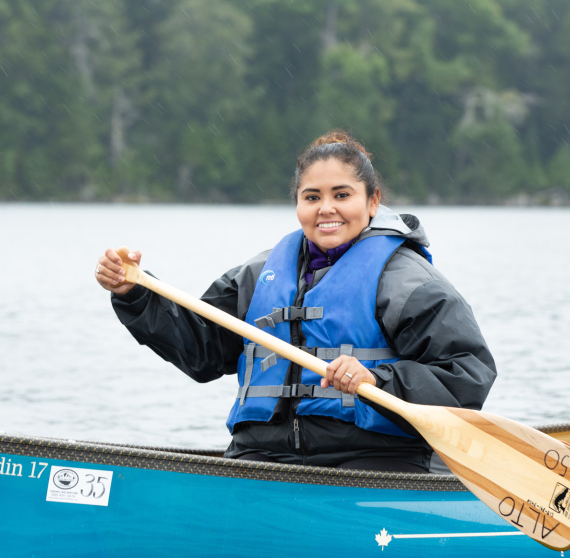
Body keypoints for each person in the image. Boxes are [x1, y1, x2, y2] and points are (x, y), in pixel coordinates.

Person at [95, 131, 496, 473]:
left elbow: (466, 374)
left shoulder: (408, 282)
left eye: (342, 194)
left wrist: (380, 380)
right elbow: (201, 350)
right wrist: (135, 292)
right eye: (312, 197)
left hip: (373, 458)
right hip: (263, 454)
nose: (326, 209)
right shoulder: (257, 275)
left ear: (372, 202)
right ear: (297, 204)